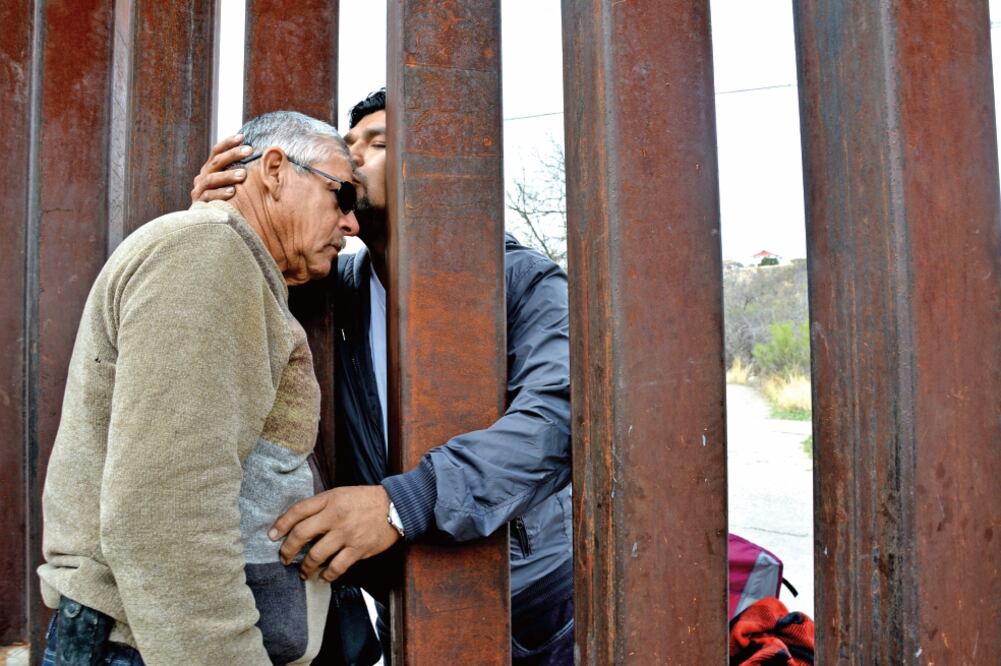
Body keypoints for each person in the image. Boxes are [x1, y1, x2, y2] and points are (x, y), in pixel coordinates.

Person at [193, 90, 574, 665]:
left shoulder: (524, 283)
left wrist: (403, 504)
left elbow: (558, 419)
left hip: (523, 594)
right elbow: (238, 288)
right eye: (348, 147)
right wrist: (224, 216)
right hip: (401, 595)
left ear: (442, 169)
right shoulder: (332, 287)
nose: (354, 159)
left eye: (378, 143)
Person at [38, 111, 360, 665]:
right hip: (144, 647)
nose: (351, 224)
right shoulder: (207, 253)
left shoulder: (223, 259)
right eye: (343, 196)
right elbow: (164, 510)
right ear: (276, 170)